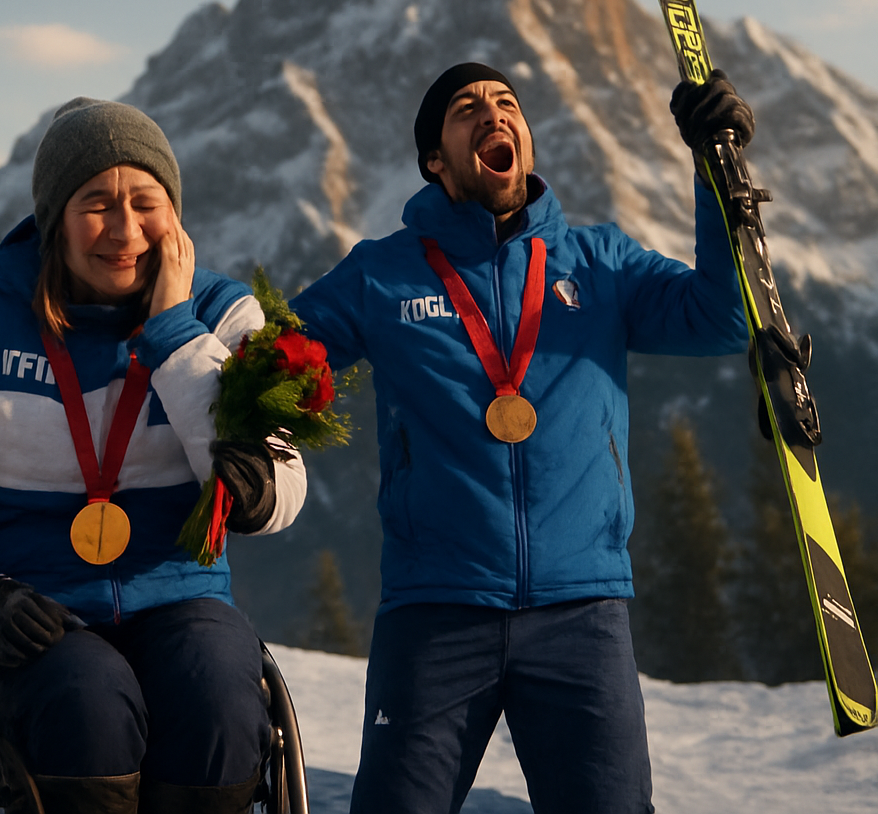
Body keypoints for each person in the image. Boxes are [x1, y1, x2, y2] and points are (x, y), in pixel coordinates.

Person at [289, 64, 753, 814]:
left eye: (507, 104)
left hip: (583, 614)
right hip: (434, 611)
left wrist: (717, 174)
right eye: (467, 109)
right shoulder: (381, 275)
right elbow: (271, 360)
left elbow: (721, 319)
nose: (493, 114)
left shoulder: (599, 261)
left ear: (528, 141)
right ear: (435, 161)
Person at [0, 97, 308, 814]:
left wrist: (172, 333)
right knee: (88, 706)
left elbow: (279, 494)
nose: (126, 229)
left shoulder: (226, 316)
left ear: (175, 213)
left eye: (145, 202)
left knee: (220, 707)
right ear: (53, 218)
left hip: (181, 598)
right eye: (97, 204)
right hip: (30, 608)